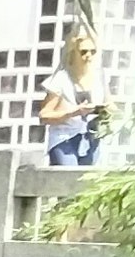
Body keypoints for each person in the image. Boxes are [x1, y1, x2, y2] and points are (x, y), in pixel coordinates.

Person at [37, 33, 108, 166]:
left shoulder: (100, 78)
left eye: (93, 52)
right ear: (73, 53)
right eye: (83, 52)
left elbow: (111, 105)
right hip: (64, 139)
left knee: (88, 183)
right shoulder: (60, 79)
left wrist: (108, 115)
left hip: (91, 139)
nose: (88, 56)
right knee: (68, 180)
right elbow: (44, 115)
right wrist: (74, 112)